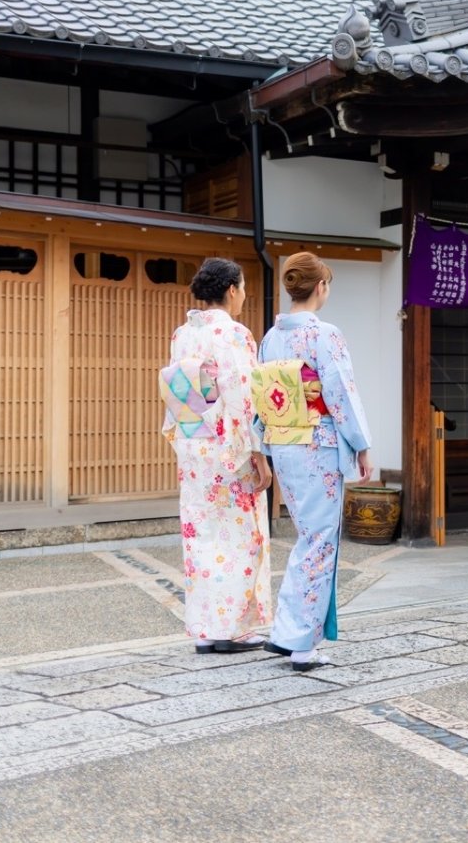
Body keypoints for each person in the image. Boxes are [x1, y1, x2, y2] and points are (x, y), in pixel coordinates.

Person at [254, 252, 372, 672]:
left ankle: (287, 629)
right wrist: (360, 443)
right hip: (318, 443)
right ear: (320, 287)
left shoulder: (271, 338)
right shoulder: (325, 334)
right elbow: (340, 392)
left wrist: (262, 443)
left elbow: (263, 396)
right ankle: (301, 641)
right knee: (320, 540)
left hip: (284, 442)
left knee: (308, 536)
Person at [160, 257, 272, 653]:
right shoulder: (235, 334)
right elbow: (245, 396)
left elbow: (177, 390)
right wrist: (257, 452)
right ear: (230, 290)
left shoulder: (182, 334)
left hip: (193, 444)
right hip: (228, 448)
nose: (243, 296)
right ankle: (233, 629)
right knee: (241, 536)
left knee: (201, 536)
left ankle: (206, 630)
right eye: (242, 288)